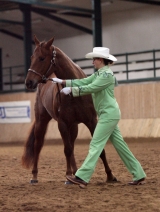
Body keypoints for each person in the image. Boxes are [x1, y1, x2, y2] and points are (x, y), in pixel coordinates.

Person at [52, 47, 146, 188]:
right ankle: (139, 174)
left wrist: (72, 90)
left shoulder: (106, 75)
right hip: (107, 114)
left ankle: (82, 177)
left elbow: (91, 88)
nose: (92, 62)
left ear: (100, 60)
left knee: (96, 144)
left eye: (94, 59)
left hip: (109, 115)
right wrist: (63, 81)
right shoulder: (99, 74)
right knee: (121, 147)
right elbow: (84, 81)